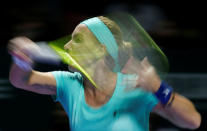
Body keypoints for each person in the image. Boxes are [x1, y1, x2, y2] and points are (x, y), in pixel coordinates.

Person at [9, 16, 201, 131]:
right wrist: (21, 61)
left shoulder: (134, 86)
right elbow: (21, 80)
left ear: (101, 49)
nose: (66, 46)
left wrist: (158, 87)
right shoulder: (69, 84)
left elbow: (192, 121)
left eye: (77, 39)